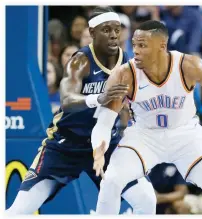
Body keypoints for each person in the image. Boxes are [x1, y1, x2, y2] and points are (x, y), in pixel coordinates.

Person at [91, 20, 202, 215]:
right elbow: (104, 122)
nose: (135, 50)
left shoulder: (189, 65)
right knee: (111, 180)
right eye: (135, 45)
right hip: (144, 136)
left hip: (186, 135)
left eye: (142, 45)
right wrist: (98, 146)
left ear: (162, 45)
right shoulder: (124, 75)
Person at [6, 7, 156, 215]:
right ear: (92, 33)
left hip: (106, 145)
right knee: (19, 211)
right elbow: (67, 99)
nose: (113, 34)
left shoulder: (127, 62)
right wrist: (99, 98)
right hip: (66, 145)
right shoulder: (80, 61)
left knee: (147, 200)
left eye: (117, 29)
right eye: (106, 30)